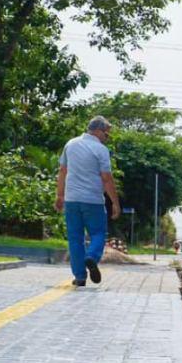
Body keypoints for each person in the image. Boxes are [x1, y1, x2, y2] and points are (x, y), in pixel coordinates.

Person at [55, 116, 121, 286]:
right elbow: (106, 178)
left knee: (75, 238)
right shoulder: (100, 150)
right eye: (107, 135)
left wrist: (59, 195)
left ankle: (80, 277)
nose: (107, 139)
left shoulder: (71, 144)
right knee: (98, 234)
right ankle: (91, 257)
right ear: (98, 131)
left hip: (72, 200)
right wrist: (115, 202)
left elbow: (63, 171)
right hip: (93, 201)